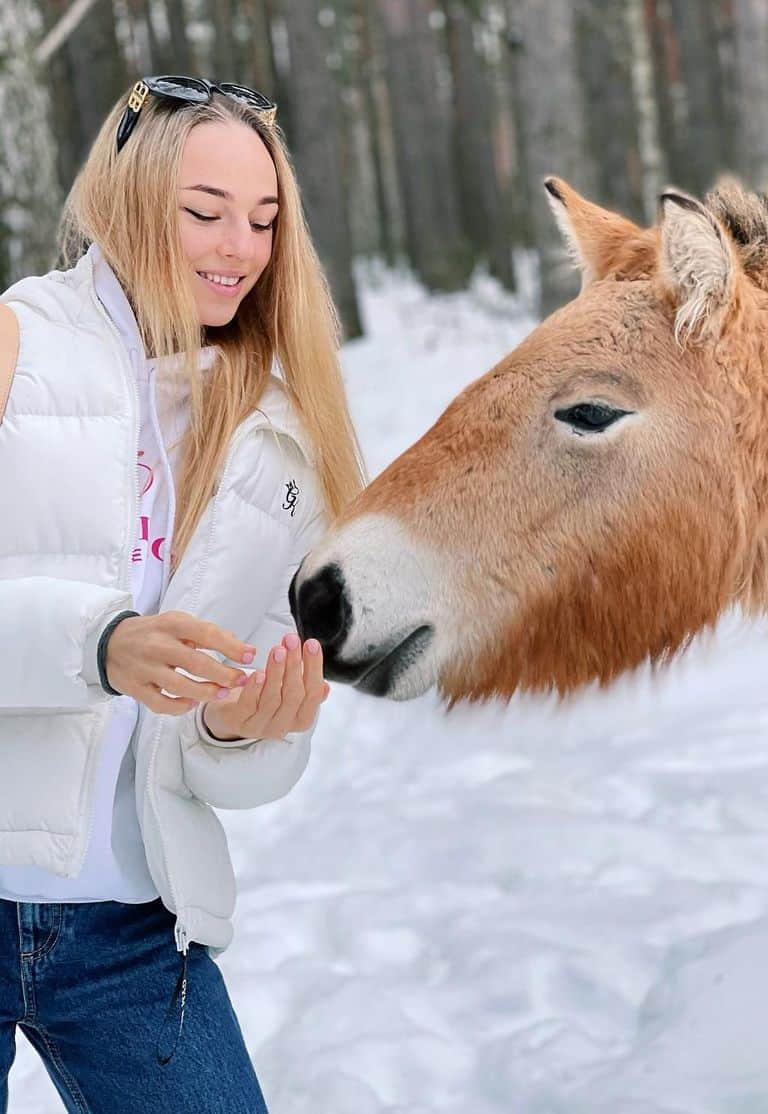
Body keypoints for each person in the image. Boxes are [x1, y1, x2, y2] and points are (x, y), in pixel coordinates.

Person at [0, 76, 364, 1112]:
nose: (239, 248)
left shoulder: (276, 434)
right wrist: (97, 644)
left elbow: (219, 756)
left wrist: (247, 728)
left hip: (130, 923)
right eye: (205, 211)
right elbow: (108, 650)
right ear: (131, 198)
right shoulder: (16, 344)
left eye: (263, 220)